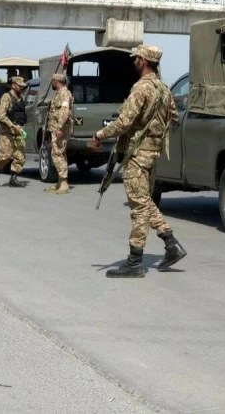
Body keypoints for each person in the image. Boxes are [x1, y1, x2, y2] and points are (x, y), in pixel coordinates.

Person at [91, 44, 186, 278]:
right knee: (144, 201)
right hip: (152, 155)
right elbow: (174, 118)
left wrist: (99, 135)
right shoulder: (164, 89)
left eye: (136, 59)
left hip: (136, 155)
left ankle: (135, 261)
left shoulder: (141, 88)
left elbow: (123, 123)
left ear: (143, 61)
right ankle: (170, 244)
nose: (134, 62)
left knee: (139, 206)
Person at [0, 76, 29, 188]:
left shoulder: (20, 98)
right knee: (4, 156)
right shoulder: (7, 97)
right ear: (13, 85)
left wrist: (20, 127)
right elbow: (1, 115)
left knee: (20, 156)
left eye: (23, 87)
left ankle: (13, 178)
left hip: (18, 132)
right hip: (7, 132)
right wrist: (12, 125)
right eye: (20, 86)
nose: (22, 88)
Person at [44, 73, 74, 195]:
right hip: (56, 128)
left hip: (60, 129)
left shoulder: (64, 93)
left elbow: (64, 111)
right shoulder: (59, 93)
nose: (52, 83)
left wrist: (60, 127)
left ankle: (64, 183)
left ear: (56, 82)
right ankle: (60, 182)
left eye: (52, 81)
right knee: (59, 153)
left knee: (57, 154)